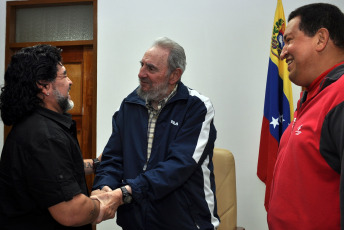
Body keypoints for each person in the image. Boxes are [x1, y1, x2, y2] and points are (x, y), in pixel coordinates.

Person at [91, 37, 219, 230]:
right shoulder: (129, 105)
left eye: (151, 69)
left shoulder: (196, 107)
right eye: (142, 65)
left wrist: (126, 192)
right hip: (135, 222)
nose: (141, 73)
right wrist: (104, 188)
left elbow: (178, 166)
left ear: (174, 75)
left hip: (184, 222)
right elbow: (113, 158)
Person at [0, 44, 115, 229]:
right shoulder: (45, 136)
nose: (70, 82)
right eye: (64, 75)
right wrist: (106, 202)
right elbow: (72, 212)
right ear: (44, 85)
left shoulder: (34, 124)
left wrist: (96, 164)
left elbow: (52, 172)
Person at [267, 3, 344, 230]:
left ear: (321, 39)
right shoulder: (311, 98)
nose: (282, 52)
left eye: (289, 40)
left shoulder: (339, 96)